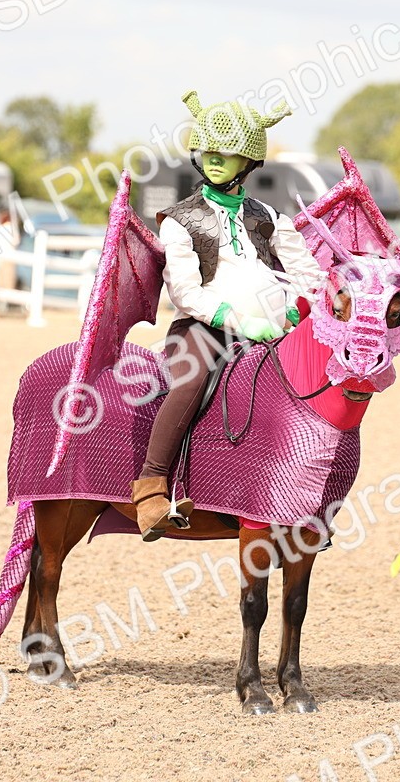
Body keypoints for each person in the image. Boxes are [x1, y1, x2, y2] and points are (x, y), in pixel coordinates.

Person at [130, 90, 322, 541]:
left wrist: (309, 307)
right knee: (193, 379)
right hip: (203, 329)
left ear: (248, 162)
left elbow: (310, 274)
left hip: (272, 330)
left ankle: (296, 495)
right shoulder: (178, 220)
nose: (215, 159)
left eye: (227, 152)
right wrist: (238, 319)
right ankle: (152, 488)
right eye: (209, 151)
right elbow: (185, 291)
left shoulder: (273, 218)